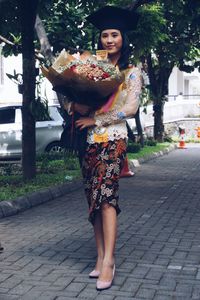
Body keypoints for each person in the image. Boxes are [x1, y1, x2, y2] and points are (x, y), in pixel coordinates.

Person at [73, 6, 142, 290]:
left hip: (114, 140)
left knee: (106, 196)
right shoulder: (94, 68)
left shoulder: (131, 71)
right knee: (93, 199)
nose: (109, 40)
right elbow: (73, 99)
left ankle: (110, 261)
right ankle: (100, 256)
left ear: (123, 38)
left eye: (114, 34)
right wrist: (73, 104)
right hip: (89, 142)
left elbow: (132, 108)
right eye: (104, 35)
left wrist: (96, 118)